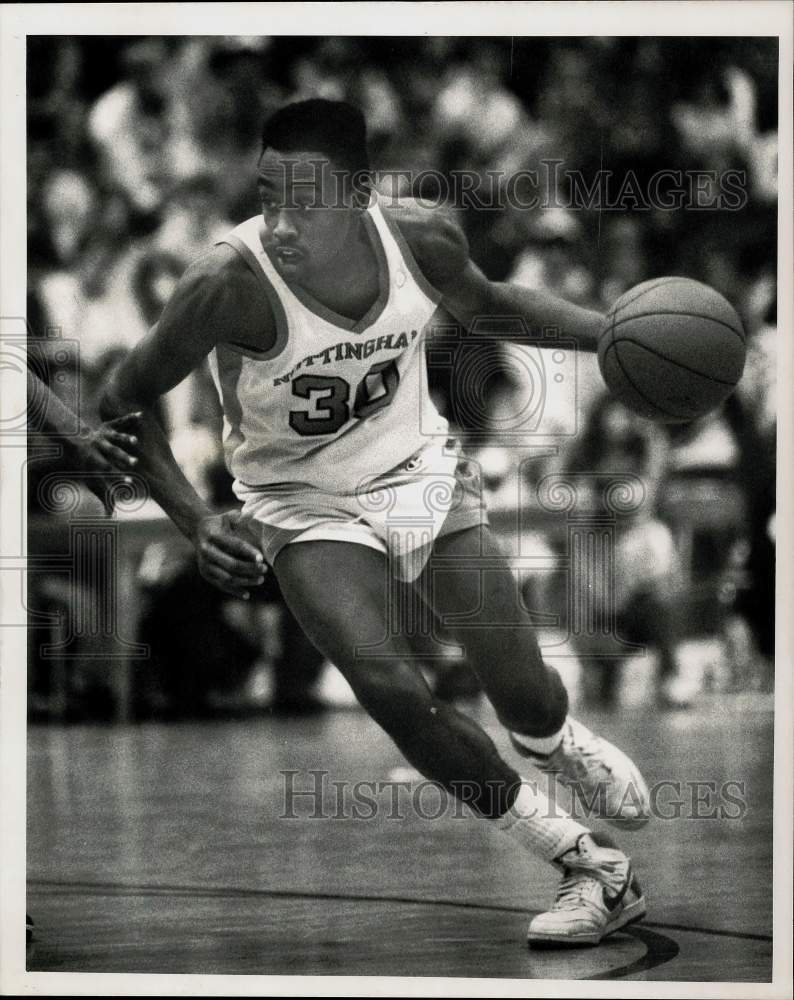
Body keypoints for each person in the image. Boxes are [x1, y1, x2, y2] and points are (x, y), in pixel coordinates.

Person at [100, 99, 651, 948]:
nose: (281, 222)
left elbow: (492, 306)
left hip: (414, 468)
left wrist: (614, 334)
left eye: (306, 201)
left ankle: (557, 739)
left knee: (524, 690)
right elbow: (121, 400)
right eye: (268, 194)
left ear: (360, 196)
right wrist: (194, 516)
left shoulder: (419, 238)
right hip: (297, 499)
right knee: (393, 690)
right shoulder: (225, 286)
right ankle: (591, 866)